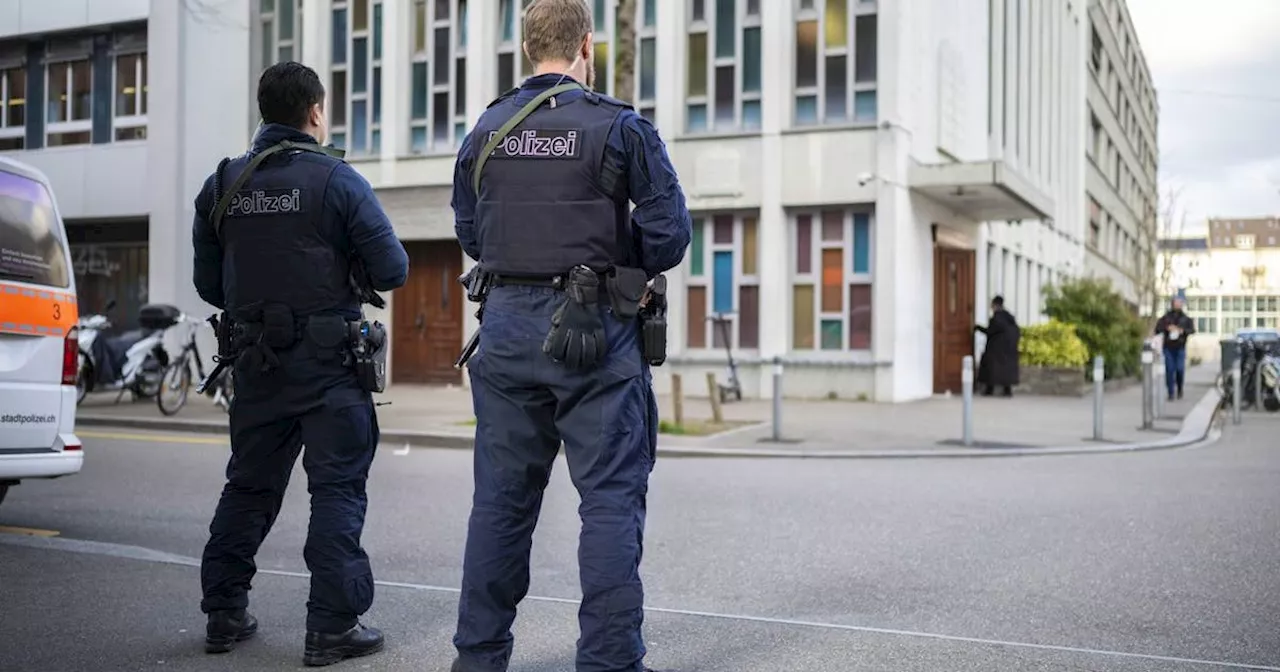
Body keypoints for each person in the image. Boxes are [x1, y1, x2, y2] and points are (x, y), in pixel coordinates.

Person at [448, 1, 692, 670]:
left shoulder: (487, 130)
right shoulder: (619, 127)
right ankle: (610, 661)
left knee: (499, 505)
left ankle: (477, 659)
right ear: (588, 44)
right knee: (611, 501)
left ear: (528, 47)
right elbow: (670, 235)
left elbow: (471, 234)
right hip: (594, 334)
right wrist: (614, 261)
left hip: (503, 332)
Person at [191, 61, 408, 667]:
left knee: (249, 485)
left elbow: (210, 286)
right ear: (315, 112)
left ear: (264, 113)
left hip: (256, 364)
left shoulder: (222, 185)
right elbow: (393, 270)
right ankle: (330, 628)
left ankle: (224, 613)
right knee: (336, 490)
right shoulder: (337, 180)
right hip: (330, 366)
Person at [974, 295, 1020, 397]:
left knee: (990, 368)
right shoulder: (1009, 317)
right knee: (1006, 370)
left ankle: (989, 390)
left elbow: (990, 331)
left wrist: (977, 328)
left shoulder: (996, 318)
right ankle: (1007, 390)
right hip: (1009, 349)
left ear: (994, 305)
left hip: (996, 349)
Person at [1155, 296, 1195, 400]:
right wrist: (1167, 328)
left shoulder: (1186, 318)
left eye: (1180, 303)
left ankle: (1180, 388)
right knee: (1170, 369)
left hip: (1180, 347)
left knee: (1180, 369)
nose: (1178, 304)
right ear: (1173, 303)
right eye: (1176, 302)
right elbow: (1158, 329)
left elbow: (1192, 330)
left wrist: (1182, 331)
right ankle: (1171, 392)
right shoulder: (1166, 317)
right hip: (1168, 347)